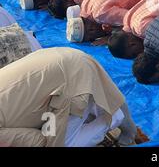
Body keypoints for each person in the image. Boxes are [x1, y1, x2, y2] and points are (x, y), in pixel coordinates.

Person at [0, 47, 148, 147]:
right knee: (53, 128)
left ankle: (113, 117)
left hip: (67, 83)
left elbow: (40, 141)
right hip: (60, 57)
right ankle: (92, 108)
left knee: (59, 144)